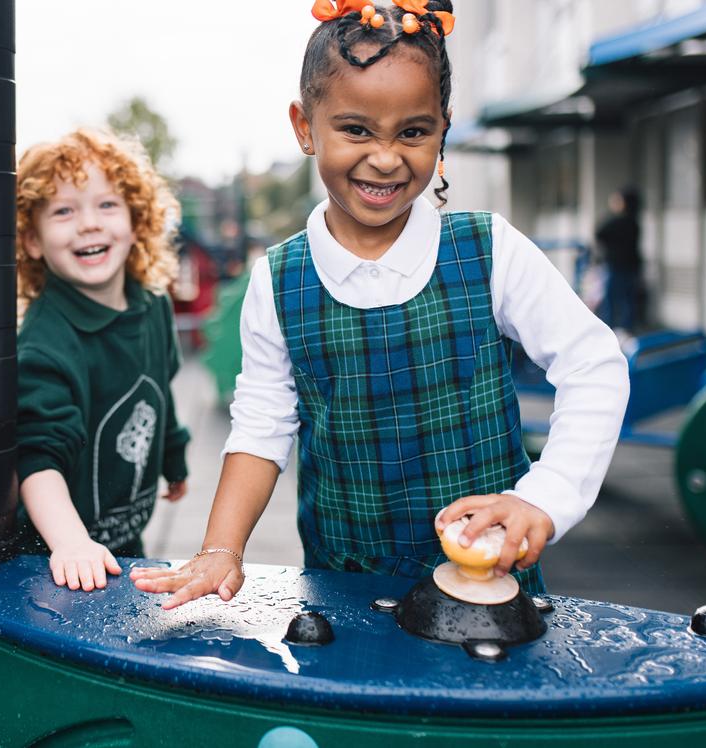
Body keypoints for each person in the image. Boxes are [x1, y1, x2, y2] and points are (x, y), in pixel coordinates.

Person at [132, 0, 628, 609]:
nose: (387, 157)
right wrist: (220, 550)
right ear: (305, 126)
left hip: (490, 584)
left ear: (442, 130)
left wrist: (544, 497)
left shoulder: (488, 248)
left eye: (413, 132)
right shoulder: (279, 279)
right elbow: (262, 427)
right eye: (357, 129)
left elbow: (594, 363)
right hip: (345, 589)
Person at [15, 129, 190, 592]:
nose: (89, 223)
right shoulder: (46, 344)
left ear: (137, 221)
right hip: (52, 558)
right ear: (33, 240)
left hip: (122, 539)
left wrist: (174, 455)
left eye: (107, 205)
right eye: (64, 210)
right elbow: (38, 458)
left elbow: (159, 388)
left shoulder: (152, 305)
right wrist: (70, 544)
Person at [595, 187, 644, 332]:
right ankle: (626, 332)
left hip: (616, 267)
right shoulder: (635, 222)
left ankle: (606, 331)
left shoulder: (618, 221)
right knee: (628, 302)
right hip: (631, 267)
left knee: (610, 301)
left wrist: (613, 212)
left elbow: (599, 231)